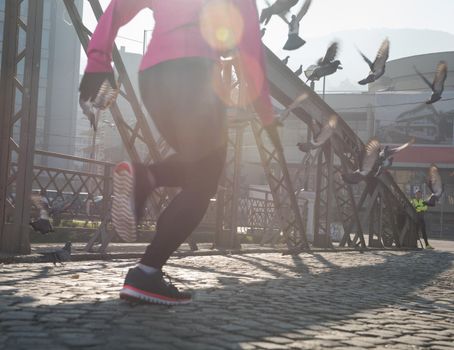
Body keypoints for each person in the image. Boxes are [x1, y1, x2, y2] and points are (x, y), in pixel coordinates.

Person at [79, 0, 278, 305]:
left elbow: (119, 7)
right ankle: (146, 270)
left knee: (199, 168)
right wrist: (266, 114)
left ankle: (147, 183)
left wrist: (98, 61)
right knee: (204, 182)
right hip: (196, 76)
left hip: (153, 78)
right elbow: (250, 48)